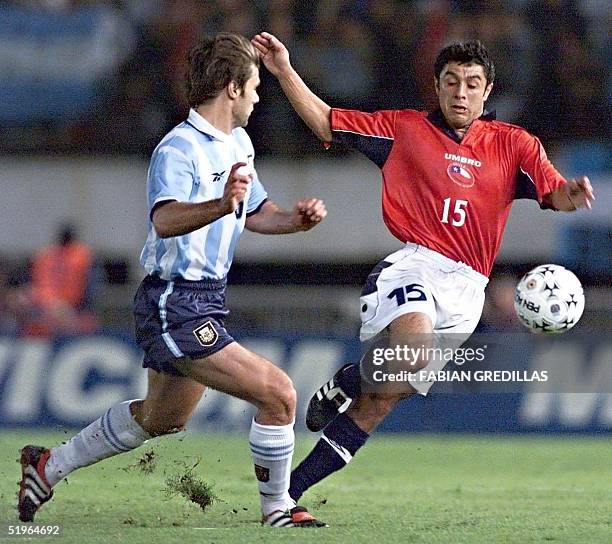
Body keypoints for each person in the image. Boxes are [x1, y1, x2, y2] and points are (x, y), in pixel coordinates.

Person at [250, 32, 595, 503]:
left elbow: (553, 192)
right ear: (436, 86)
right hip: (416, 267)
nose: (461, 93)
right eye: (451, 82)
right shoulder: (403, 129)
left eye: (472, 84)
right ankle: (350, 383)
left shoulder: (514, 145)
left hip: (469, 291)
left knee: (380, 400)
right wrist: (284, 70)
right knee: (408, 354)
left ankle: (288, 493)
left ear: (487, 90)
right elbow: (327, 123)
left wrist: (570, 197)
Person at [18, 33, 328, 528]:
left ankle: (48, 466)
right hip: (175, 299)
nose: (257, 95)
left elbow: (255, 211)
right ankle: (279, 509)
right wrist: (219, 204)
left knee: (163, 419)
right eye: (252, 86)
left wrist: (296, 220)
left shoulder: (239, 144)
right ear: (231, 87)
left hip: (204, 297)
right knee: (279, 393)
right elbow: (164, 219)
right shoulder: (178, 148)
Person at [13, 224, 98, 337]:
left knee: (67, 317)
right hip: (44, 303)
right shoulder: (46, 256)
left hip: (71, 305)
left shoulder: (82, 256)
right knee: (20, 301)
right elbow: (31, 281)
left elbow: (90, 286)